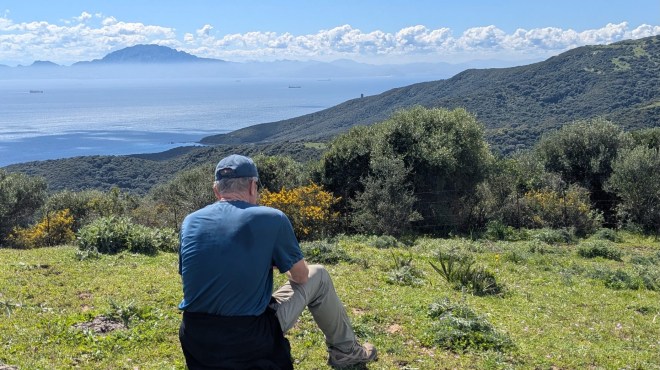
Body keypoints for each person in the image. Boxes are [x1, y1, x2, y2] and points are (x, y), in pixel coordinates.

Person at [178, 154, 377, 369]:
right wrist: (279, 265)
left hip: (197, 339)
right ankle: (346, 352)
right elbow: (301, 276)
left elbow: (197, 272)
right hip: (248, 338)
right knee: (318, 275)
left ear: (216, 190)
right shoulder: (272, 218)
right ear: (253, 186)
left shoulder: (190, 221)